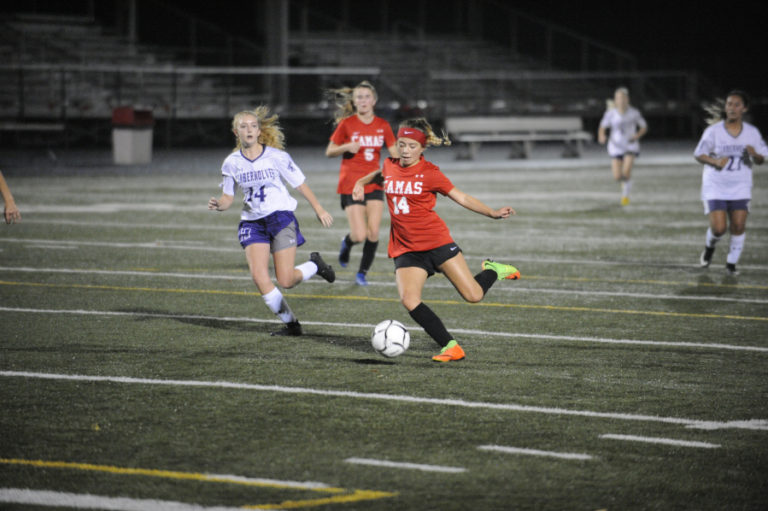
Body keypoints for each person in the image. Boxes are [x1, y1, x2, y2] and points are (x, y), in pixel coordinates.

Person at [352, 118, 520, 363]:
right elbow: (379, 175)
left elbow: (461, 197)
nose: (405, 151)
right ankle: (451, 347)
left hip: (437, 243)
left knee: (473, 296)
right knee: (409, 299)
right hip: (406, 249)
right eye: (402, 145)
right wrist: (359, 182)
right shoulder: (389, 165)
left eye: (411, 146)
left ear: (421, 148)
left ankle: (494, 270)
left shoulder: (430, 173)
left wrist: (492, 212)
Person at [208, 107, 336, 336]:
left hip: (280, 218)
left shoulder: (276, 157)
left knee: (286, 280)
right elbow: (228, 197)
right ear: (236, 132)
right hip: (252, 223)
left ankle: (315, 265)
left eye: (253, 126)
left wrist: (319, 208)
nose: (249, 129)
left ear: (259, 131)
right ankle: (292, 324)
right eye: (243, 126)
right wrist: (219, 204)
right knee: (259, 277)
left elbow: (300, 184)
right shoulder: (231, 163)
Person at [325, 81, 398, 286]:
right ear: (354, 102)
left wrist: (406, 165)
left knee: (373, 232)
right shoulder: (346, 124)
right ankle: (347, 244)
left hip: (374, 182)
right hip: (351, 183)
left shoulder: (383, 125)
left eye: (367, 97)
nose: (363, 100)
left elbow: (395, 155)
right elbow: (330, 151)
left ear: (374, 101)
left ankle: (361, 274)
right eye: (359, 97)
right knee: (359, 234)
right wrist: (346, 146)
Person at [694, 90, 767, 276]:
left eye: (736, 105)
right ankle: (710, 247)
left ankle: (731, 265)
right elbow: (699, 154)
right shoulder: (713, 132)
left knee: (739, 226)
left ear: (744, 108)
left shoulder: (752, 133)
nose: (732, 108)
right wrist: (715, 161)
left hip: (740, 186)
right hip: (715, 185)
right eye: (729, 104)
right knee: (719, 229)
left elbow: (762, 159)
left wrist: (755, 155)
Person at [597, 87, 648, 205]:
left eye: (623, 98)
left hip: (630, 146)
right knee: (617, 176)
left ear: (627, 99)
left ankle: (625, 195)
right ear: (615, 100)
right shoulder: (610, 113)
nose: (621, 101)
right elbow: (602, 127)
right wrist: (602, 136)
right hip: (615, 146)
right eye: (618, 98)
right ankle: (626, 183)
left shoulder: (634, 112)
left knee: (626, 171)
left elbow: (644, 127)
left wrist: (636, 136)